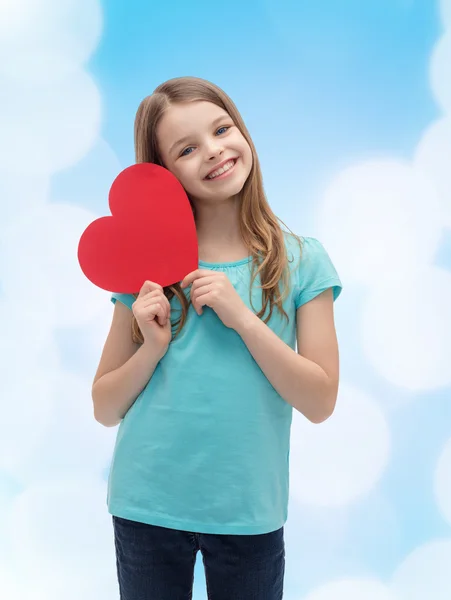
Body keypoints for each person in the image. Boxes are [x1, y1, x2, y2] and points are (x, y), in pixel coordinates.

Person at [91, 76, 342, 600]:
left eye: (221, 129)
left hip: (247, 510)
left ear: (242, 131)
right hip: (147, 504)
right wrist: (153, 346)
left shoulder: (301, 261)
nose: (214, 151)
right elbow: (104, 406)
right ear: (164, 174)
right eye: (187, 148)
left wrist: (243, 318)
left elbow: (319, 400)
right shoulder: (145, 269)